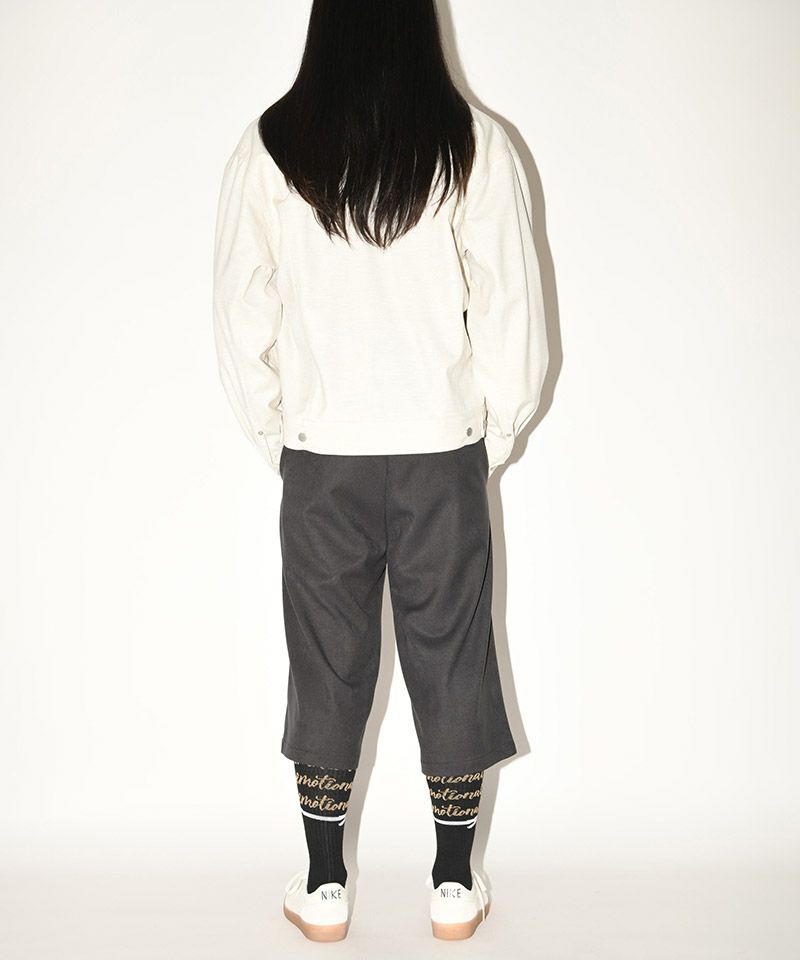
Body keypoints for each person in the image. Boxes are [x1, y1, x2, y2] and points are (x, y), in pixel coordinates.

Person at [212, 0, 548, 943]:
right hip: (443, 453)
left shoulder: (271, 148)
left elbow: (238, 313)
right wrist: (492, 433)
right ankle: (453, 882)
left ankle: (325, 883)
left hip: (323, 459)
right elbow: (511, 306)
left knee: (326, 660)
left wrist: (281, 434)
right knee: (453, 653)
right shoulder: (471, 144)